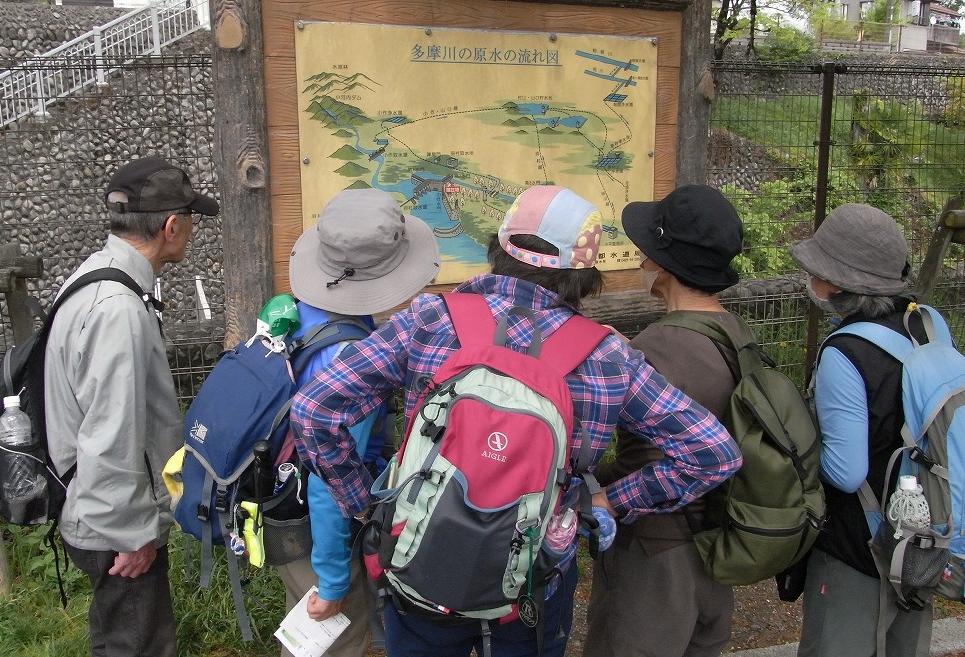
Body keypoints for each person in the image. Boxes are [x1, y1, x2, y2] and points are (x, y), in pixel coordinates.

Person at [290, 183, 742, 657]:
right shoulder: (606, 357)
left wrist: (365, 504)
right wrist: (608, 502)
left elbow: (314, 408)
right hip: (532, 577)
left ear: (499, 246)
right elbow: (712, 454)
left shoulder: (430, 320)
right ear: (585, 272)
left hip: (417, 561)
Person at [45, 156, 219, 657]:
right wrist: (132, 535)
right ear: (171, 226)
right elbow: (112, 434)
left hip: (90, 502)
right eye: (190, 219)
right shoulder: (118, 309)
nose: (191, 230)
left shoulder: (94, 276)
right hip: (111, 523)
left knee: (121, 639)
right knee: (139, 645)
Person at [583, 184, 746, 657]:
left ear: (665, 265)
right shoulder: (736, 333)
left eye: (647, 250)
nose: (640, 258)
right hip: (718, 543)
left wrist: (605, 498)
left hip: (653, 554)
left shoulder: (655, 347)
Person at [277, 187, 441, 657]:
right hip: (321, 524)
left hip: (284, 500)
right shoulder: (349, 353)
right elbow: (328, 476)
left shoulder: (302, 312)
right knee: (336, 638)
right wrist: (332, 580)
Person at [789, 203, 930, 657]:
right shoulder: (926, 325)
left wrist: (795, 447)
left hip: (859, 545)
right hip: (922, 535)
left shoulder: (845, 352)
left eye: (817, 271)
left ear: (837, 283)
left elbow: (847, 473)